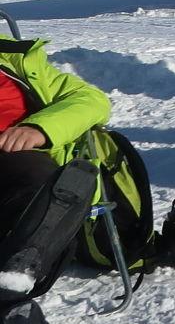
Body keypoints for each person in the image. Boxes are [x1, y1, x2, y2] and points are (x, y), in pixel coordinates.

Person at [0, 33, 112, 297]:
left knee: (58, 182)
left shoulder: (13, 61)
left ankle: (17, 274)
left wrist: (39, 128)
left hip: (14, 157)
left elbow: (92, 100)